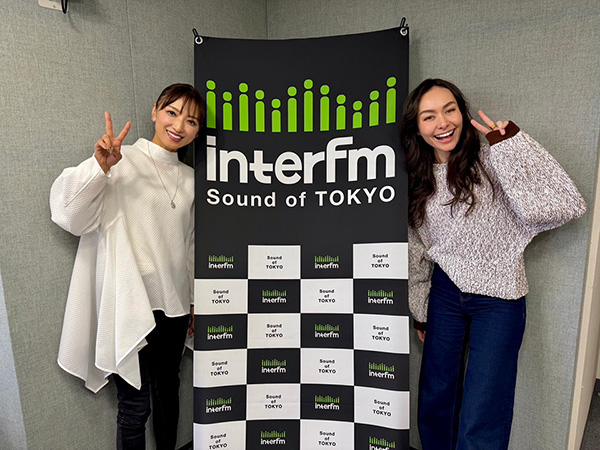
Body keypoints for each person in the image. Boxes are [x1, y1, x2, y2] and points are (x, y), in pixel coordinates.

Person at [400, 78, 586, 450]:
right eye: (429, 116)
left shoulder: (491, 159)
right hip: (445, 293)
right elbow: (416, 248)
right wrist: (421, 310)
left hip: (499, 296)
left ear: (462, 112)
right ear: (417, 129)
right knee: (436, 397)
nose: (443, 123)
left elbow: (566, 205)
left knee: (483, 408)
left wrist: (512, 147)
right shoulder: (417, 179)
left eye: (450, 110)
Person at [50, 83, 205, 450]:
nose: (179, 126)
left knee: (168, 393)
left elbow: (189, 246)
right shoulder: (122, 160)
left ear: (198, 130)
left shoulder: (190, 180)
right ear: (154, 112)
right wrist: (99, 168)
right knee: (135, 406)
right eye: (171, 113)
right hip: (130, 304)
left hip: (174, 307)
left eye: (191, 121)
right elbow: (69, 216)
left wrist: (193, 300)